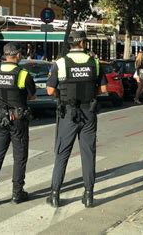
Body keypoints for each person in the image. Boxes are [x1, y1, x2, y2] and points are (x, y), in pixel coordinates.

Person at [45, 31, 107, 208]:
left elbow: (50, 90)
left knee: (62, 153)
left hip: (68, 112)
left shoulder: (60, 63)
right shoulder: (94, 62)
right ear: (83, 43)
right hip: (88, 111)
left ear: (71, 44)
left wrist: (62, 96)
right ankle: (89, 195)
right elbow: (103, 88)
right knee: (88, 153)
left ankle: (55, 195)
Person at [0, 43, 36, 206]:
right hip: (17, 119)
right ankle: (17, 193)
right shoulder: (23, 74)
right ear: (17, 55)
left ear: (5, 55)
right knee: (19, 156)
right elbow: (32, 97)